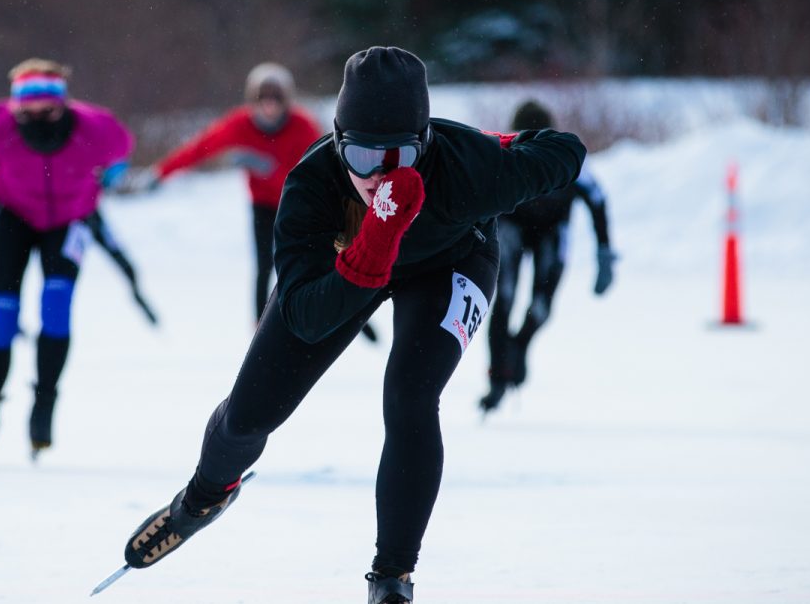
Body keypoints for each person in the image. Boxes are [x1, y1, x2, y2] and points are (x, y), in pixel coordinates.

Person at [112, 47, 584, 603]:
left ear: (425, 143)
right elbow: (306, 319)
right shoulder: (312, 186)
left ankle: (392, 578)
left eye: (399, 155)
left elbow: (565, 152)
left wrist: (496, 143)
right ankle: (202, 499)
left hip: (452, 262)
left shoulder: (466, 166)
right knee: (247, 417)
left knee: (410, 397)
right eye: (362, 155)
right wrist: (375, 242)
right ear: (338, 143)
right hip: (346, 268)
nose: (379, 174)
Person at [0, 58, 134, 465]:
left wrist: (112, 173)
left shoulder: (96, 128)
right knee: (3, 312)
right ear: (14, 107)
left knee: (56, 305)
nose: (37, 119)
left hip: (69, 218)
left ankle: (44, 403)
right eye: (27, 112)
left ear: (63, 104)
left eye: (48, 111)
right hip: (12, 216)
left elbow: (123, 147)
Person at [147, 63, 376, 340]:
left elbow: (321, 169)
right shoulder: (240, 125)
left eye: (275, 99)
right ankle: (259, 331)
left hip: (300, 203)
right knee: (264, 265)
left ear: (286, 100)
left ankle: (357, 319)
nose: (269, 106)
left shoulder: (302, 126)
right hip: (264, 205)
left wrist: (268, 167)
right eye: (262, 99)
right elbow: (199, 148)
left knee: (327, 258)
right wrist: (161, 172)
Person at [479, 101, 615, 415]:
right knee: (509, 302)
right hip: (513, 227)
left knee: (532, 306)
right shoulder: (508, 152)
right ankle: (500, 375)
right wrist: (604, 249)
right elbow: (597, 201)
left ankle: (515, 350)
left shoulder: (565, 158)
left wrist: (605, 252)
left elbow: (597, 199)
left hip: (550, 232)